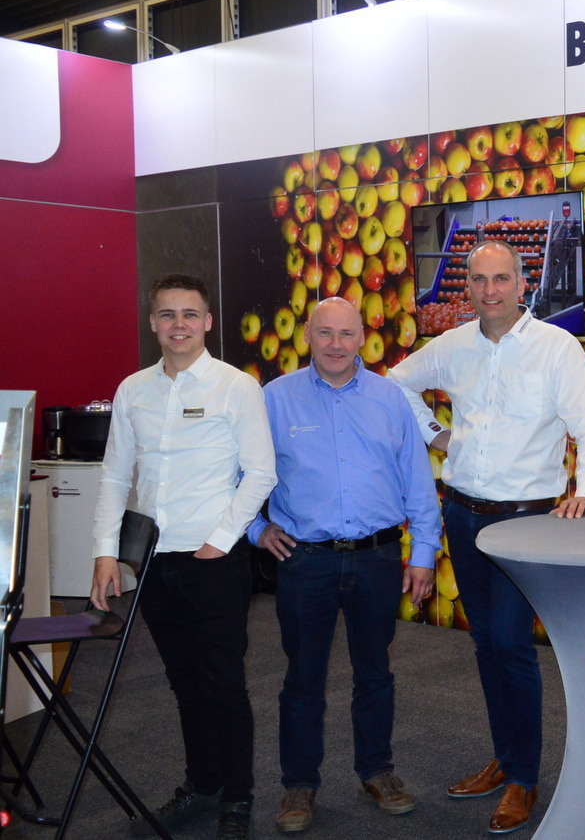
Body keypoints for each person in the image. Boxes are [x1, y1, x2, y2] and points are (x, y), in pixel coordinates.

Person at [389, 240, 585, 835]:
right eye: (479, 279)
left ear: (522, 283)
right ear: (467, 285)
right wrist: (435, 434)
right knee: (486, 642)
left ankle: (524, 777)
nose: (490, 291)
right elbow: (396, 383)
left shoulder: (556, 348)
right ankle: (506, 758)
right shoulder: (454, 345)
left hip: (525, 523)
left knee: (511, 644)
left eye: (501, 279)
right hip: (463, 515)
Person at [247, 297, 443, 833]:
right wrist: (256, 529)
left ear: (362, 336)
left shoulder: (390, 398)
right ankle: (299, 784)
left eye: (347, 333)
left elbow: (417, 480)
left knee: (375, 673)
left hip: (378, 558)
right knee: (302, 679)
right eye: (325, 333)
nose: (336, 344)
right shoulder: (274, 399)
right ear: (307, 335)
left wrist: (423, 553)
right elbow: (238, 472)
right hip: (304, 561)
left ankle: (377, 772)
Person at [91, 274, 276, 840]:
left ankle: (238, 797)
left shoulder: (236, 387)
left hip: (213, 560)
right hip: (154, 562)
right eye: (168, 314)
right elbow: (115, 476)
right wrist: (105, 553)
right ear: (153, 323)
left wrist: (220, 539)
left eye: (190, 314)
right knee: (183, 681)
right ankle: (203, 783)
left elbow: (261, 473)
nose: (179, 324)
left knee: (223, 681)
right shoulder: (132, 390)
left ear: (208, 322)